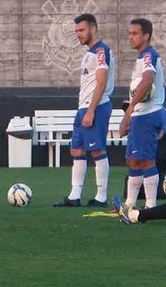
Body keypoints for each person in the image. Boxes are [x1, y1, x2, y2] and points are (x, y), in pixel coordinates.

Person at [54, 13, 115, 207]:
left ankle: (101, 196)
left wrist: (91, 111)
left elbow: (102, 83)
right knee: (76, 150)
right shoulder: (90, 53)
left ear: (93, 28)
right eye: (76, 31)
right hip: (83, 107)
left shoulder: (101, 51)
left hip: (95, 107)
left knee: (97, 151)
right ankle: (74, 196)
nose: (78, 34)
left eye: (81, 30)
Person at [120, 18, 166, 209]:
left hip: (148, 114)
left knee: (146, 160)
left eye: (135, 33)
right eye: (129, 33)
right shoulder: (142, 57)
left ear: (146, 35)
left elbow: (147, 81)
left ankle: (150, 206)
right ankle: (130, 204)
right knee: (134, 160)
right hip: (141, 115)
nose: (130, 37)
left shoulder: (148, 55)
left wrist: (129, 110)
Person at [121, 101, 166, 201]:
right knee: (134, 169)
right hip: (142, 152)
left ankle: (149, 204)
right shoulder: (135, 124)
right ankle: (130, 203)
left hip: (159, 167)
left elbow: (162, 133)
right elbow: (122, 131)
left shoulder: (158, 114)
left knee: (147, 166)